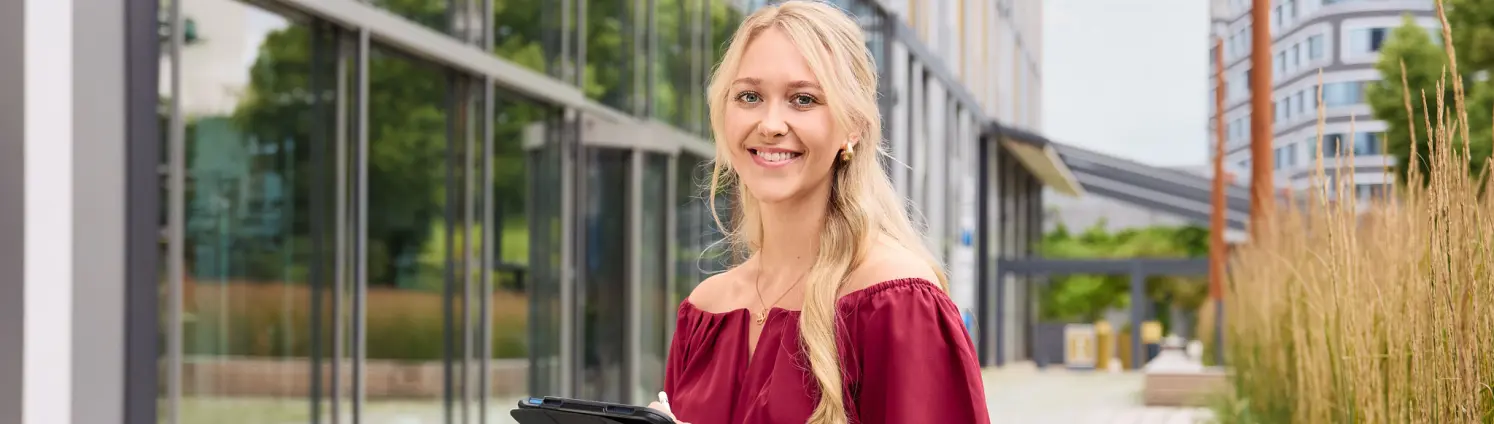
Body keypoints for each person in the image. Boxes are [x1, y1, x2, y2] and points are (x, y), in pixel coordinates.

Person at [644, 1, 990, 423]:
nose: (771, 124)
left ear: (854, 126)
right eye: (749, 96)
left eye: (803, 99)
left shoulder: (897, 303)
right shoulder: (705, 312)